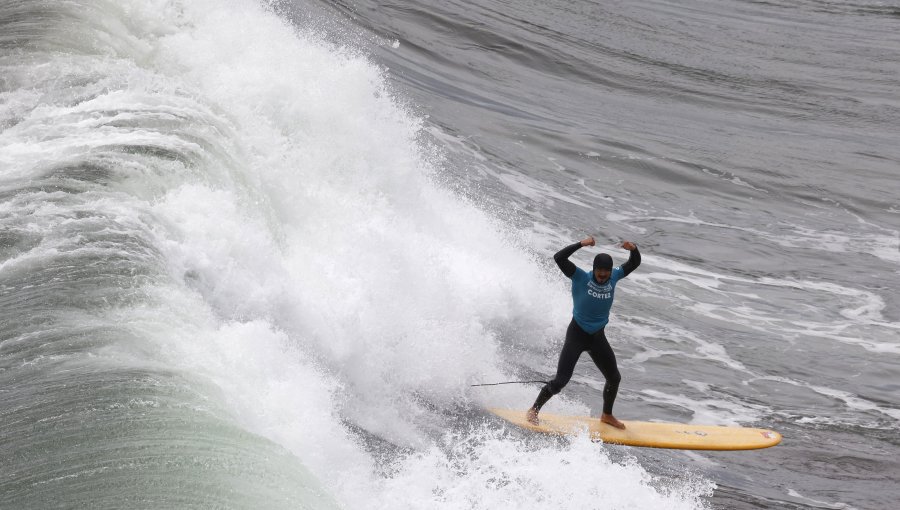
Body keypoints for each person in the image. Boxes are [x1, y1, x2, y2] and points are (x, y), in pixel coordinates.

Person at [525, 236, 641, 429]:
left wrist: (634, 249)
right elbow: (559, 258)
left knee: (614, 378)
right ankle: (534, 409)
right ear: (594, 269)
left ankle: (606, 415)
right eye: (599, 271)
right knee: (561, 381)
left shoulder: (615, 276)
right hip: (577, 334)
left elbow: (634, 262)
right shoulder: (580, 277)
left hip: (597, 337)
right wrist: (580, 244)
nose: (603, 275)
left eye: (606, 271)